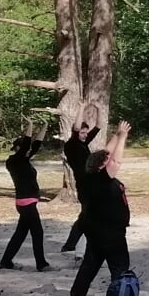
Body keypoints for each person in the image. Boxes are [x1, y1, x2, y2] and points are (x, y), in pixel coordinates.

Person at [67, 119, 135, 296]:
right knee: (119, 267)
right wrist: (123, 137)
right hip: (110, 231)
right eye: (105, 161)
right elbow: (115, 161)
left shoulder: (87, 178)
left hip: (94, 230)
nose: (109, 160)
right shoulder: (102, 179)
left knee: (90, 264)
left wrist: (117, 134)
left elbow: (105, 153)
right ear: (101, 166)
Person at [0, 127, 57, 272]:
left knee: (20, 234)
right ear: (18, 148)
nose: (29, 151)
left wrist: (44, 126)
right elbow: (27, 144)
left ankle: (6, 262)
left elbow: (35, 145)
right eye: (25, 149)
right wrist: (30, 126)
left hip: (28, 202)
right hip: (26, 203)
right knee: (38, 232)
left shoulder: (25, 160)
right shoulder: (13, 162)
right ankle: (42, 264)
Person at [57, 107, 100, 255]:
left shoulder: (83, 142)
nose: (85, 135)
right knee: (86, 216)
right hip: (83, 185)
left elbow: (99, 127)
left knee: (88, 215)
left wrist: (99, 109)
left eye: (86, 133)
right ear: (76, 133)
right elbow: (76, 127)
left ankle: (71, 245)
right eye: (82, 132)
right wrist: (81, 107)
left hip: (91, 184)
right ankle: (71, 245)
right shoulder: (71, 144)